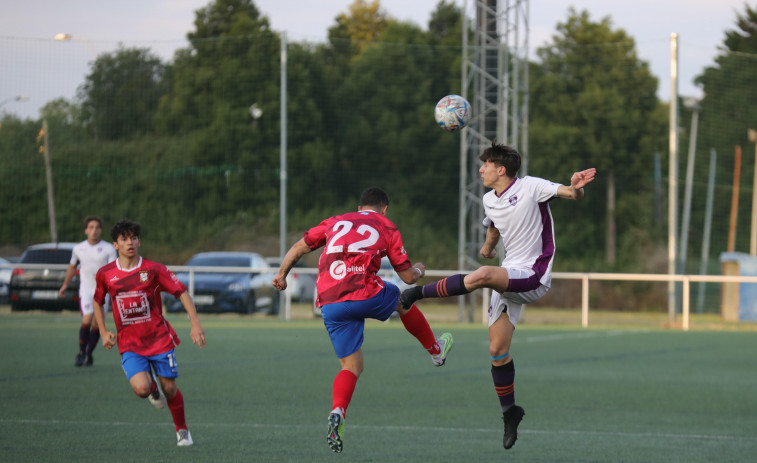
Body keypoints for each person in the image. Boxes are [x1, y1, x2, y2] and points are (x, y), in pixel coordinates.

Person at [400, 141, 596, 451]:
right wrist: (489, 248)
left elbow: (571, 194)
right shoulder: (489, 199)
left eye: (485, 165)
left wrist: (576, 187)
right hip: (510, 274)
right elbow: (494, 225)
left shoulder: (531, 186)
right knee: (497, 350)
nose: (481, 169)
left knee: (482, 275)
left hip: (533, 274)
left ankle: (414, 294)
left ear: (501, 169)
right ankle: (510, 413)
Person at [272, 187, 454, 454]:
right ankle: (436, 351)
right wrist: (419, 269)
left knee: (350, 366)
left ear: (359, 208)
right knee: (403, 299)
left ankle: (338, 411)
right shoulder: (387, 226)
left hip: (330, 300)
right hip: (364, 292)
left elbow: (300, 247)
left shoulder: (335, 221)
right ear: (385, 209)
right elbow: (407, 277)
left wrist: (281, 275)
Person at [93, 219, 206, 447]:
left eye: (133, 238)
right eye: (124, 239)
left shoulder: (154, 270)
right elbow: (98, 300)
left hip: (159, 340)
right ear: (115, 244)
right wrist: (103, 332)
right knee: (142, 389)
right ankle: (153, 389)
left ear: (139, 241)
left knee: (171, 388)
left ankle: (182, 430)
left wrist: (195, 324)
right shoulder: (106, 274)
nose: (130, 243)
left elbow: (182, 293)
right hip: (130, 344)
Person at [59, 215, 117, 367]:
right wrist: (65, 284)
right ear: (86, 230)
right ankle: (81, 353)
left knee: (97, 325)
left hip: (103, 292)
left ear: (101, 230)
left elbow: (113, 270)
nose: (94, 230)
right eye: (91, 227)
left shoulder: (108, 248)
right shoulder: (78, 248)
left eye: (97, 228)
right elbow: (72, 266)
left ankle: (89, 354)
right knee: (87, 319)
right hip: (86, 289)